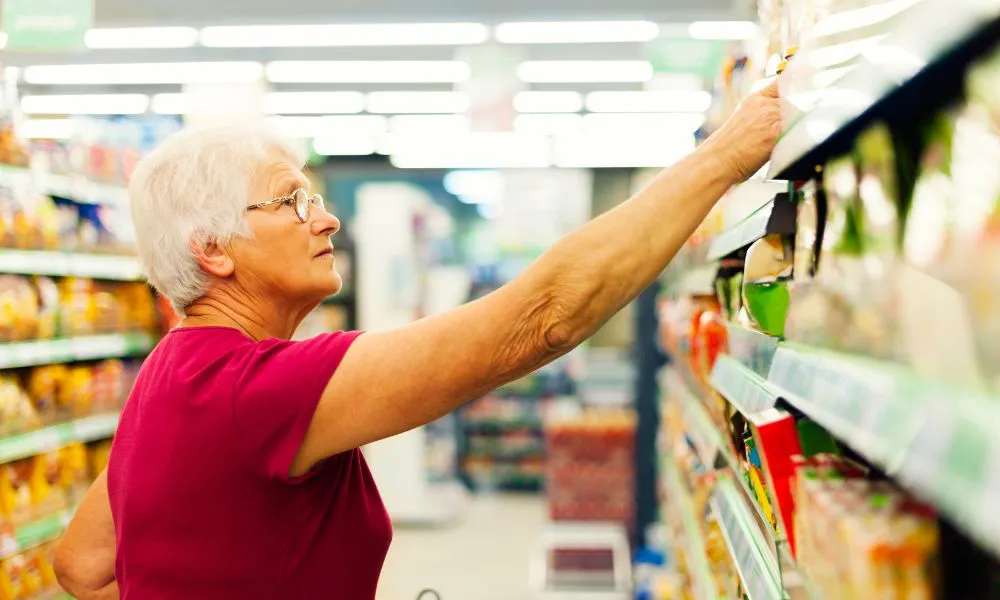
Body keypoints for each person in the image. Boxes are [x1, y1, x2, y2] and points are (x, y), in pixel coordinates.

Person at [53, 82, 781, 599]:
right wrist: (727, 156)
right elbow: (545, 316)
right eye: (293, 201)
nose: (327, 219)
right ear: (213, 248)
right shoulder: (263, 389)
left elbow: (82, 564)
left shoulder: (165, 377)